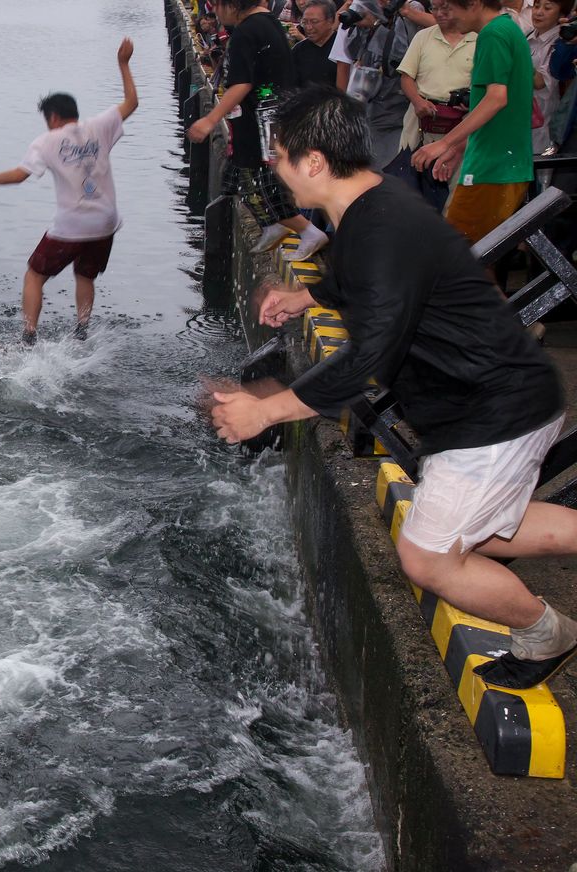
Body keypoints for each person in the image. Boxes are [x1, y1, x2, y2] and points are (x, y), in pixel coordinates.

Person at [211, 86, 577, 690]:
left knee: (428, 558)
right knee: (489, 530)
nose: (272, 165)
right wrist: (305, 294)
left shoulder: (381, 227)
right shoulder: (371, 209)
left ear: (315, 163)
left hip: (493, 412)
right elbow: (366, 281)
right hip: (489, 403)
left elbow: (369, 354)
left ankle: (547, 632)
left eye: (279, 154)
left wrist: (268, 410)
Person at [0, 39, 138, 344]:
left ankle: (29, 334)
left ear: (53, 117)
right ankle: (82, 329)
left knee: (34, 275)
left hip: (72, 226)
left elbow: (18, 176)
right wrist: (123, 63)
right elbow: (132, 102)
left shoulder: (46, 141)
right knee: (85, 275)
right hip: (106, 222)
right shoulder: (101, 126)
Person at [188, 0, 330, 260]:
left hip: (265, 120)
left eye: (218, 6)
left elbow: (241, 84)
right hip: (263, 115)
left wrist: (210, 120)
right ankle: (271, 223)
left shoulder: (248, 31)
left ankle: (307, 231)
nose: (216, 14)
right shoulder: (267, 23)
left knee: (264, 179)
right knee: (234, 176)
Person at [412, 0, 535, 244]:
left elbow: (496, 99)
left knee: (461, 258)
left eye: (451, 7)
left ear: (475, 4)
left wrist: (445, 143)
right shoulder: (506, 28)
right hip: (502, 163)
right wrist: (459, 147)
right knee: (477, 260)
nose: (447, 16)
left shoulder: (493, 34)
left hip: (493, 167)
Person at [393, 0, 476, 208]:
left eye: (445, 7)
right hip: (421, 120)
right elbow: (406, 77)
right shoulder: (424, 36)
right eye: (434, 8)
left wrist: (473, 100)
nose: (439, 13)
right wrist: (417, 100)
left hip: (461, 123)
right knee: (411, 183)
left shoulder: (480, 39)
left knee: (456, 189)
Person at [330, 0, 430, 167]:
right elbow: (351, 53)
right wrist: (360, 26)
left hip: (394, 108)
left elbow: (398, 57)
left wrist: (377, 24)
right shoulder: (364, 6)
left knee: (386, 166)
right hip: (367, 104)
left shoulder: (409, 9)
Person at [528, 0, 570, 153]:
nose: (538, 12)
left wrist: (514, 56)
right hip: (519, 124)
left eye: (547, 8)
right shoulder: (526, 37)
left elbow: (539, 82)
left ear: (562, 14)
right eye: (536, 5)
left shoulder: (563, 44)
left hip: (545, 128)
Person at [293, 0, 342, 86]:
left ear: (330, 21)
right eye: (304, 22)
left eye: (314, 22)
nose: (308, 27)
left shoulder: (342, 48)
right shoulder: (298, 50)